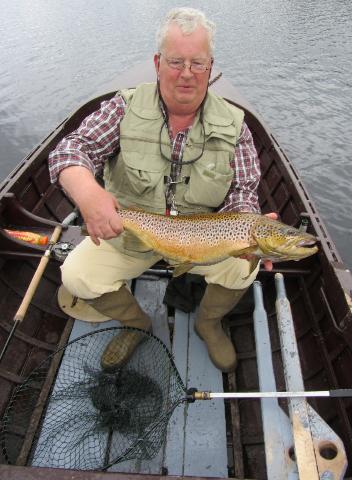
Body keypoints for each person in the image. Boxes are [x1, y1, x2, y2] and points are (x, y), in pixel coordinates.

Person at [49, 7, 274, 373]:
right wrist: (87, 194)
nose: (187, 73)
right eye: (176, 61)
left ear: (210, 66)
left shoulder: (236, 126)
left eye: (197, 63)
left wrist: (251, 224)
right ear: (157, 63)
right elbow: (72, 149)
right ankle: (137, 324)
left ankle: (208, 322)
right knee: (76, 275)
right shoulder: (123, 107)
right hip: (131, 234)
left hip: (201, 245)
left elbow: (243, 193)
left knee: (243, 269)